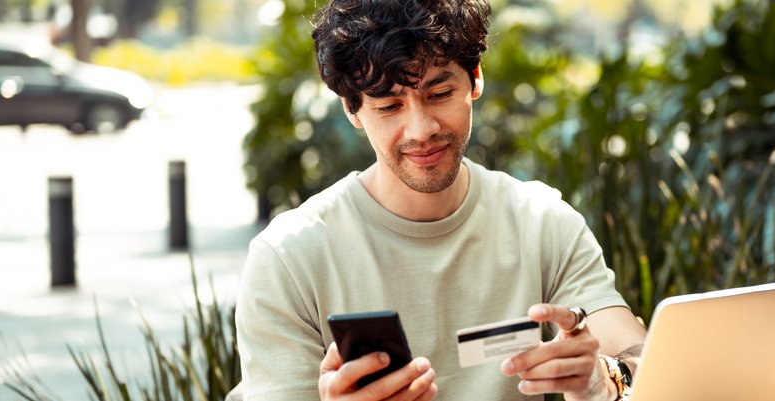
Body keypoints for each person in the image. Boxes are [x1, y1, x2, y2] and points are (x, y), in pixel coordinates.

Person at [234, 0, 646, 399]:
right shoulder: (289, 257)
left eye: (439, 93)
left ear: (475, 79)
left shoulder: (541, 222)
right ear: (352, 109)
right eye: (390, 106)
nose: (421, 129)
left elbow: (646, 362)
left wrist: (604, 380)